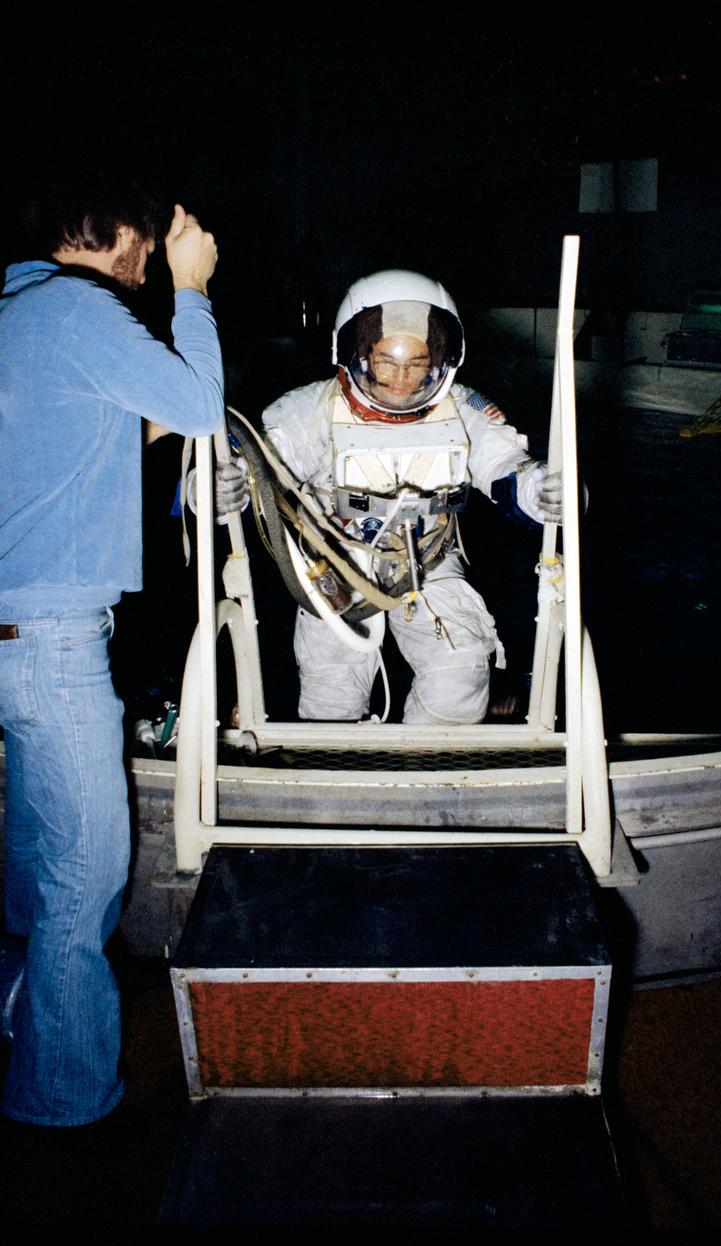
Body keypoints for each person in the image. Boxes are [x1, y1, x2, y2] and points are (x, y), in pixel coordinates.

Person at [0, 178, 225, 1128]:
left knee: (25, 864)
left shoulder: (18, 309)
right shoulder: (81, 310)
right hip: (48, 644)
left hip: (13, 628)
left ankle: (20, 1017)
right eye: (150, 245)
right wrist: (192, 288)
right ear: (125, 234)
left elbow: (65, 441)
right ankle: (62, 1102)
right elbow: (202, 407)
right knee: (80, 882)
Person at [261, 269, 560, 723]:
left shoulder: (462, 408)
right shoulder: (311, 410)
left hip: (430, 560)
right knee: (331, 697)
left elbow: (505, 468)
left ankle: (427, 760)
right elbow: (255, 469)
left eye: (417, 362)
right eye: (387, 361)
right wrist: (219, 488)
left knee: (461, 673)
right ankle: (340, 762)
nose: (402, 378)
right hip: (337, 563)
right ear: (358, 354)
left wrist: (541, 488)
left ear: (440, 358)